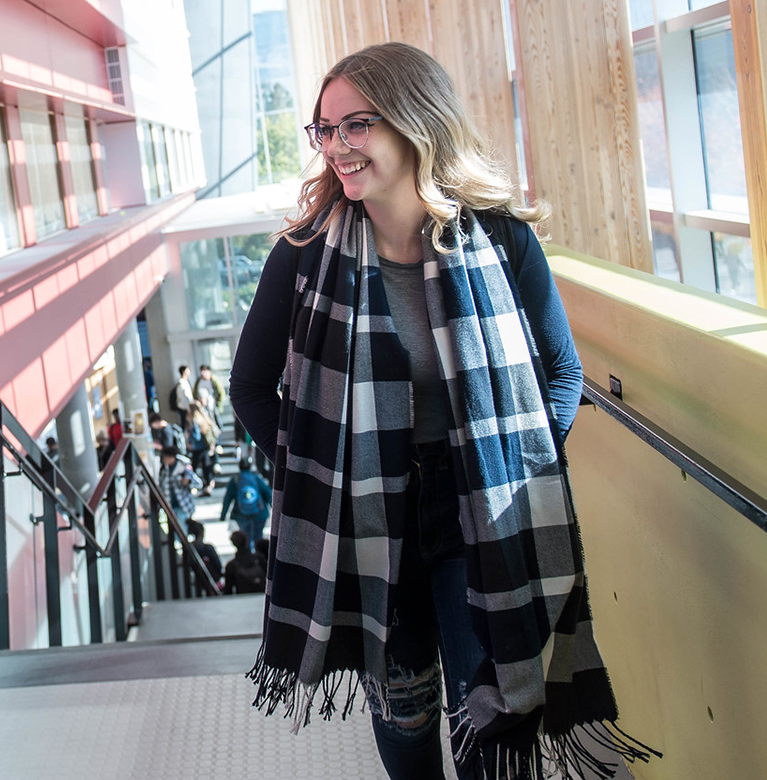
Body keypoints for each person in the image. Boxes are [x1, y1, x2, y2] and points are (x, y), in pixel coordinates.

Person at [229, 42, 654, 780]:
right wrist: (315, 478)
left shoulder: (501, 241)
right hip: (366, 512)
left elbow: (561, 371)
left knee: (489, 700)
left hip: (476, 507)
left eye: (355, 125)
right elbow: (249, 386)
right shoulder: (301, 257)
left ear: (413, 121)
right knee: (404, 708)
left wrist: (512, 472)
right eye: (324, 130)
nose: (336, 147)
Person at [218, 454, 271, 554]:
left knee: (246, 539)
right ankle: (258, 560)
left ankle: (248, 557)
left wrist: (223, 515)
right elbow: (268, 494)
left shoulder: (235, 481)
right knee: (258, 538)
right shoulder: (256, 479)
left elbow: (227, 499)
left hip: (241, 515)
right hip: (260, 514)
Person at [159, 447, 198, 526]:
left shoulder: (184, 468)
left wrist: (187, 482)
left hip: (183, 504)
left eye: (165, 457)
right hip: (169, 504)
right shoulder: (164, 469)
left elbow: (197, 483)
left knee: (181, 527)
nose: (164, 460)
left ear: (172, 457)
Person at [221, 530, 266, 595]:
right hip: (261, 595)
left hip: (242, 598)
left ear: (233, 543)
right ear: (247, 541)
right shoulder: (260, 559)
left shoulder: (231, 566)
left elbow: (228, 590)